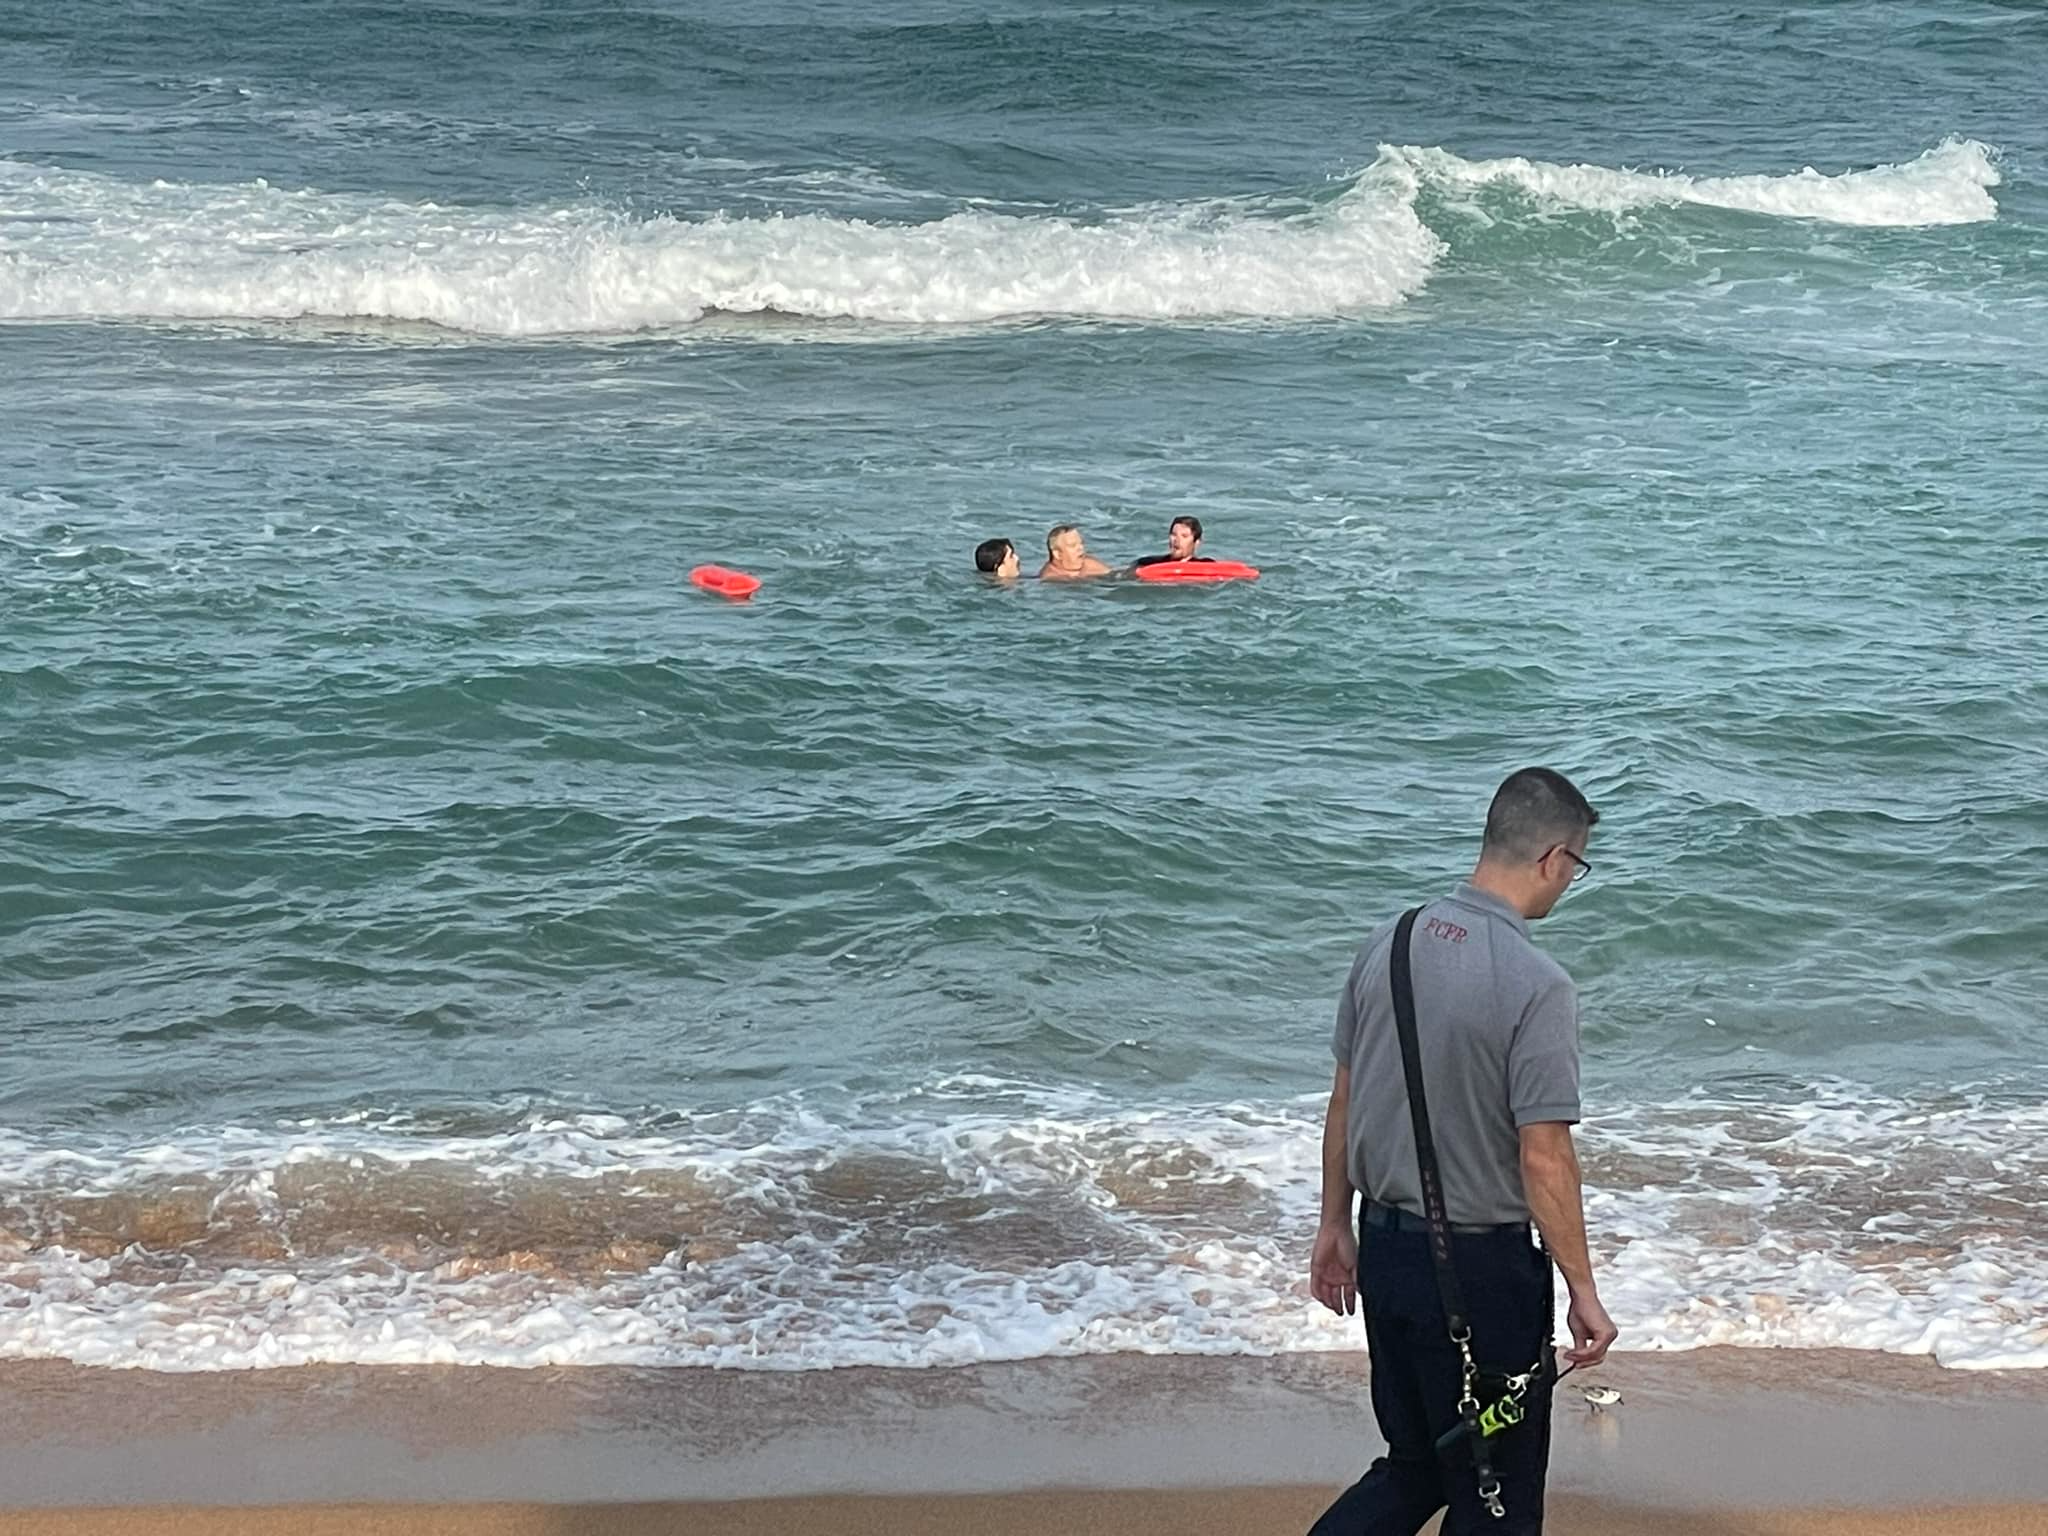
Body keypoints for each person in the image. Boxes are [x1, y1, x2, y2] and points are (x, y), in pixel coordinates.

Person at [1308, 767, 1616, 1536]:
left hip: (1385, 1250)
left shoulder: (1387, 942)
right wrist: (1582, 1288)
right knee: (1495, 1488)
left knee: (1416, 1463)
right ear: (1552, 859)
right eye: (1575, 867)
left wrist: (1333, 1226)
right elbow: (1543, 1158)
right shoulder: (1537, 983)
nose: (1568, 883)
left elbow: (1344, 1102)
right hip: (1482, 1275)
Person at [1131, 515, 1214, 569]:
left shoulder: (1206, 565)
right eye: (1173, 535)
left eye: (1184, 536)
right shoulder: (1149, 563)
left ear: (1197, 542)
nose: (1177, 540)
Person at [1039, 523, 1112, 580]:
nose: (1080, 548)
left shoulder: (1088, 563)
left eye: (1081, 543)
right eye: (1072, 545)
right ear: (1057, 554)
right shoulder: (1052, 578)